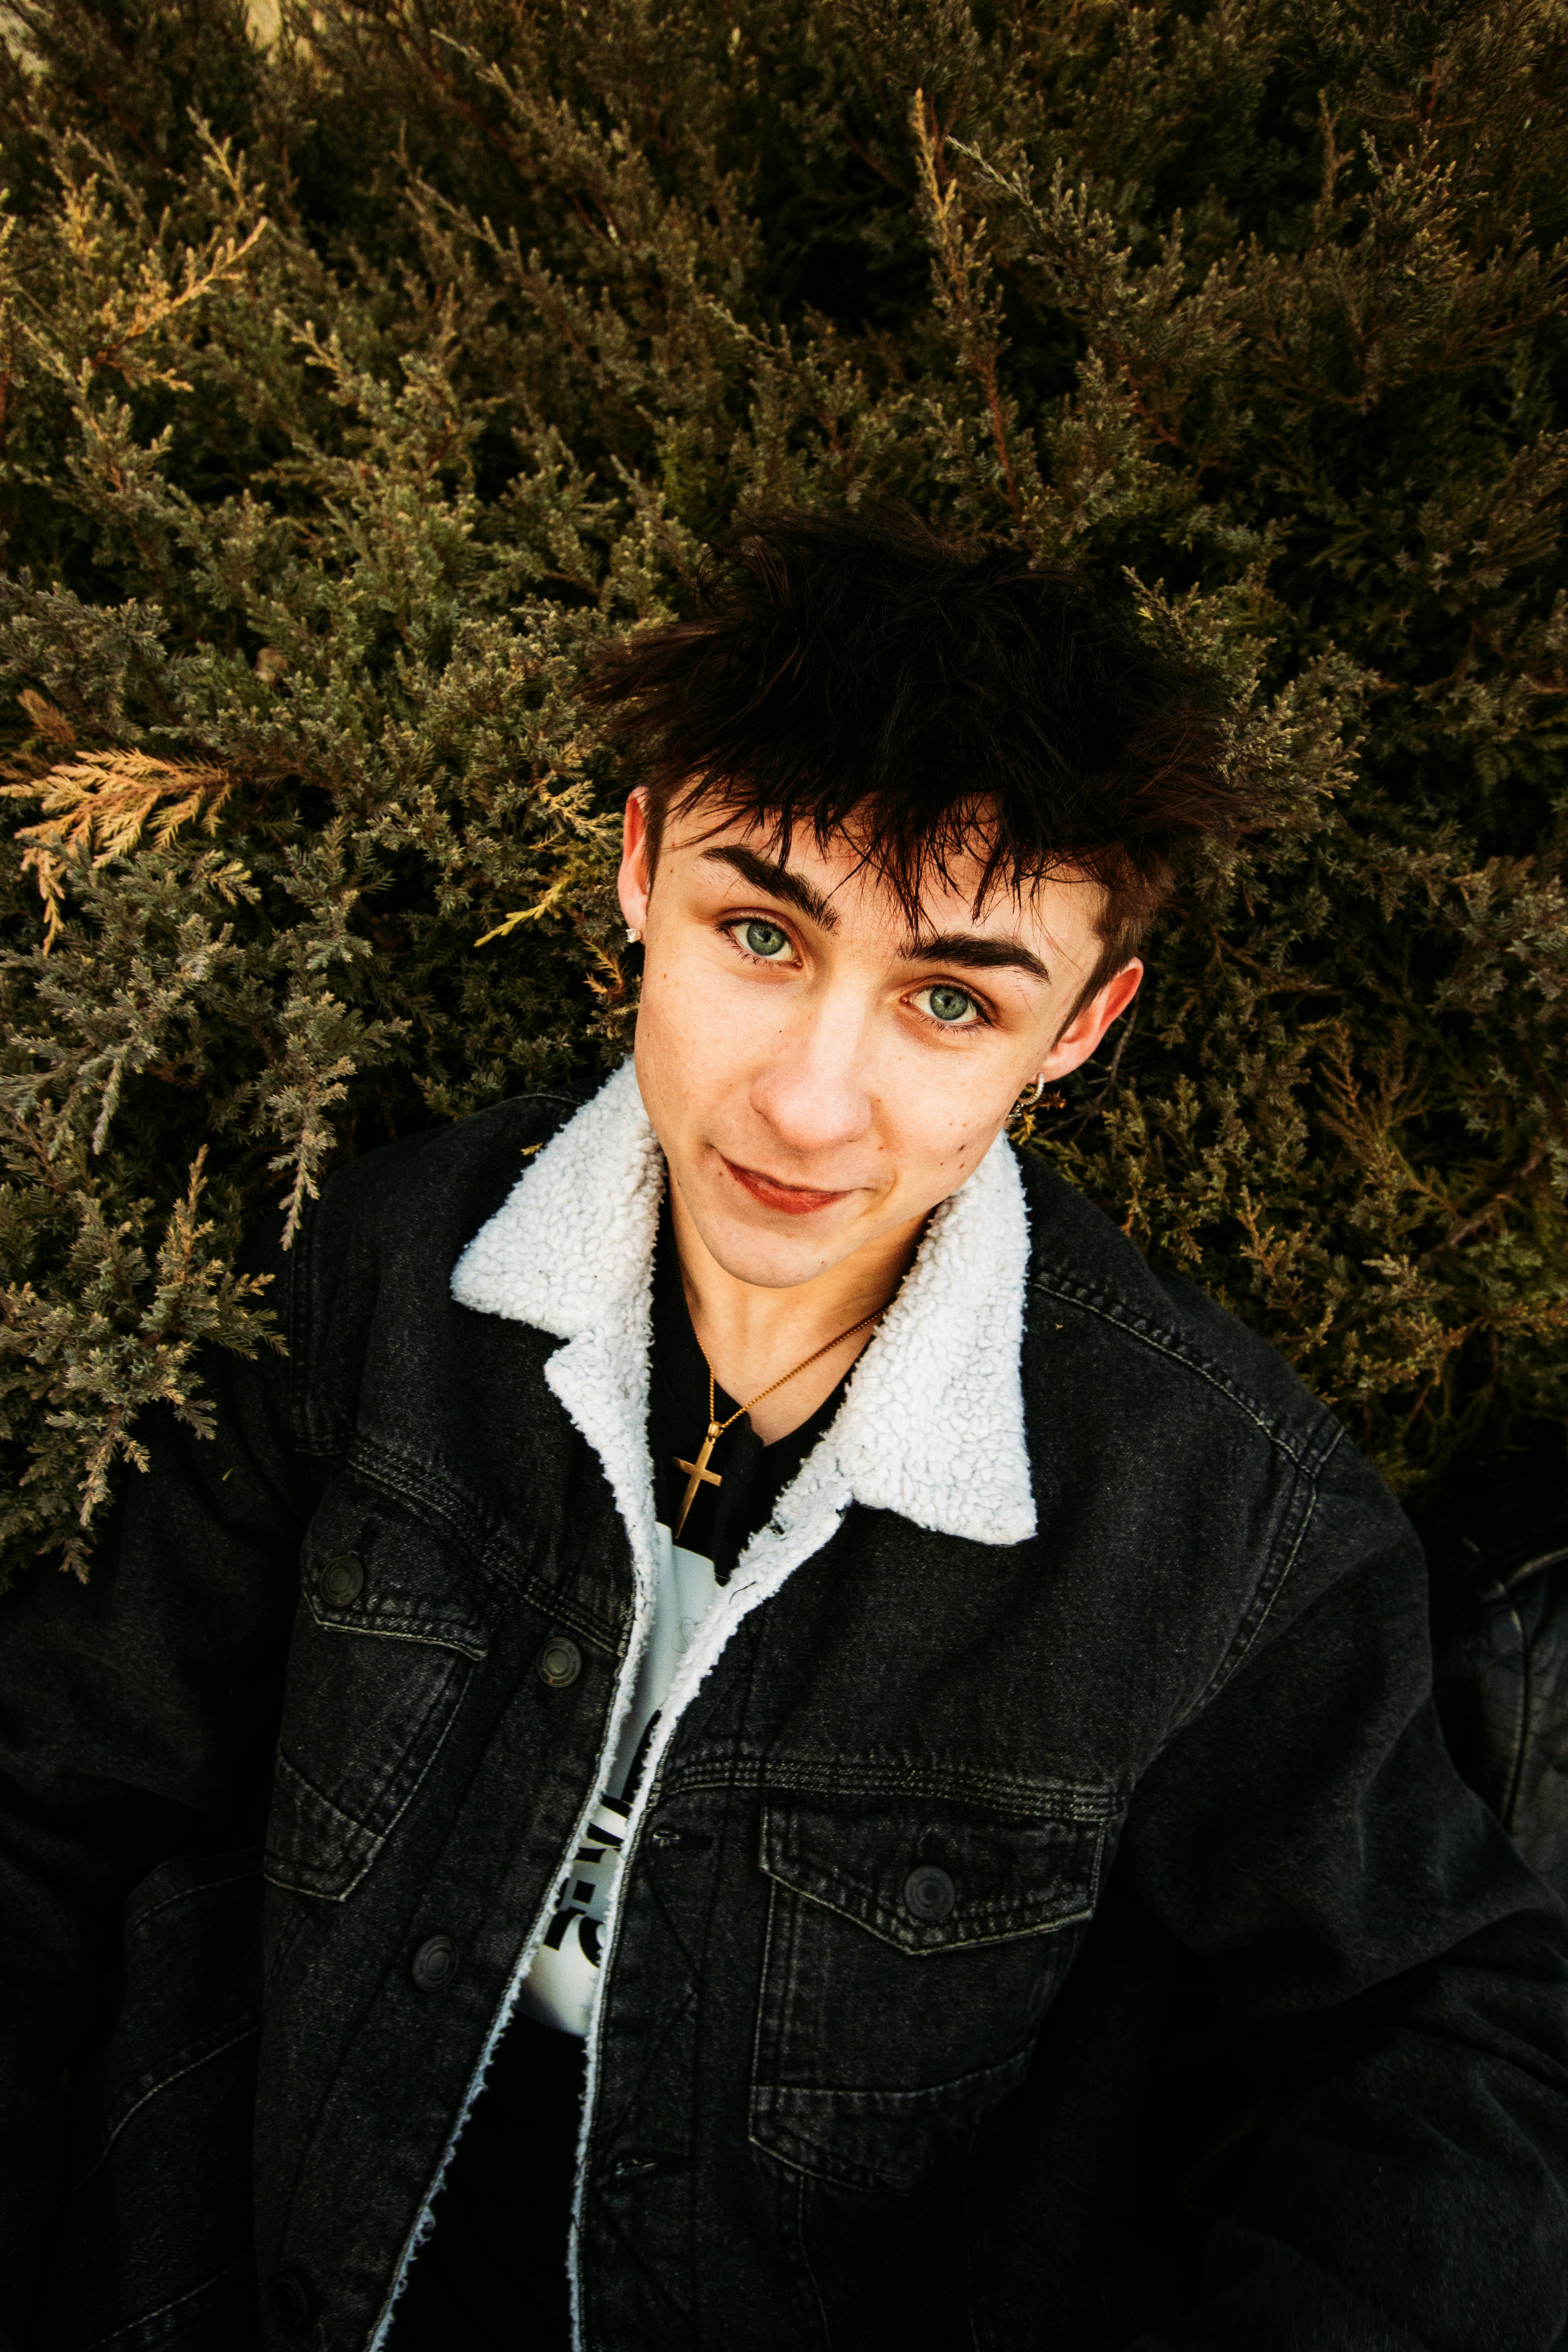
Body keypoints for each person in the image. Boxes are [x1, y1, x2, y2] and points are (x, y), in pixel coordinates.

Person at [2, 508, 1566, 2352]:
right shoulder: (378, 1277)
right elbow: (53, 1801)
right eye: (764, 931)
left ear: (1081, 1026)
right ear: (642, 866)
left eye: (950, 999)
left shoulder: (1212, 1512)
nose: (814, 1106)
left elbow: (1449, 2031)